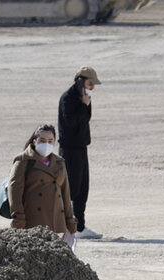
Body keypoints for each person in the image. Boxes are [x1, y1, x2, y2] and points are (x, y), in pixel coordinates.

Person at [6, 123, 77, 246]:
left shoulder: (59, 162)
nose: (46, 144)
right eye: (42, 140)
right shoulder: (23, 160)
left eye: (50, 141)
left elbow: (65, 193)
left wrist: (70, 222)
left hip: (57, 220)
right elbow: (15, 192)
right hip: (33, 220)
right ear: (34, 141)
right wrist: (19, 219)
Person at [58, 65, 103, 240]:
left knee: (83, 187)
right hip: (70, 149)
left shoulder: (81, 96)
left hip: (81, 147)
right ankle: (69, 226)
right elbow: (71, 123)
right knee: (72, 188)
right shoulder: (68, 98)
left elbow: (85, 120)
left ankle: (80, 226)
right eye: (90, 82)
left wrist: (86, 105)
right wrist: (84, 106)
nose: (92, 86)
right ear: (81, 80)